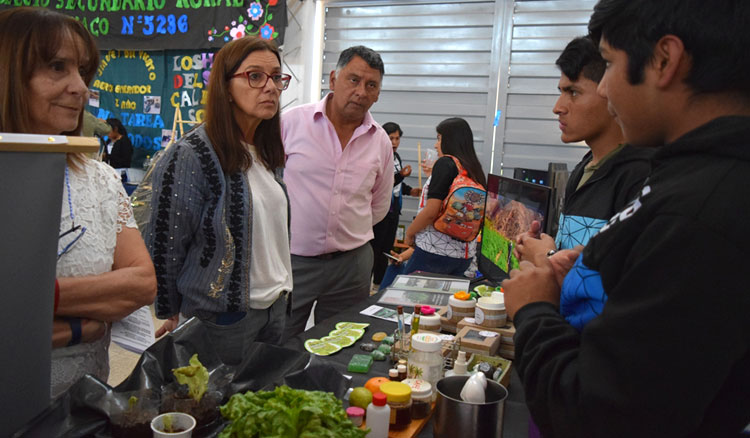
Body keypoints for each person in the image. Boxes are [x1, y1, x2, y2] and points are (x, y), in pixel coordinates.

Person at [503, 0, 750, 436]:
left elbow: (599, 412)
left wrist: (535, 310)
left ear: (664, 60)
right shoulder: (688, 177)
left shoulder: (697, 211)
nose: (604, 89)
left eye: (611, 64)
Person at [0, 7, 157, 398]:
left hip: (86, 405)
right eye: (57, 67)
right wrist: (80, 325)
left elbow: (141, 283)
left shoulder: (99, 178)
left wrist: (37, 301)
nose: (81, 88)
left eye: (83, 71)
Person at [144, 36, 293, 365]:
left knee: (258, 405)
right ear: (225, 87)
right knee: (219, 410)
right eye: (255, 76)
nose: (270, 87)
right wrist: (170, 310)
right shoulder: (192, 154)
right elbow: (166, 242)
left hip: (274, 308)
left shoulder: (268, 152)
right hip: (224, 317)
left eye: (277, 77)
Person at [515, 36, 653, 331]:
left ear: (610, 89)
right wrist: (543, 249)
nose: (558, 107)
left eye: (573, 92)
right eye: (560, 91)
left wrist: (547, 257)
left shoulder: (640, 177)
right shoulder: (584, 167)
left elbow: (625, 289)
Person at [281, 45, 394, 341]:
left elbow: (380, 204)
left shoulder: (380, 140)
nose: (361, 91)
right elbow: (266, 185)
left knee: (342, 346)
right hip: (292, 262)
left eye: (371, 85)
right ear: (333, 80)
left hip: (352, 267)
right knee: (278, 342)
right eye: (353, 80)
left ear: (378, 93)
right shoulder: (291, 123)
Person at [403, 117, 486, 277]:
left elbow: (431, 212)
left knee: (412, 299)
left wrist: (410, 233)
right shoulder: (473, 167)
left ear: (450, 140)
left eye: (439, 138)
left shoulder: (445, 163)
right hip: (464, 256)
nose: (436, 144)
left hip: (434, 251)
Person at [371, 122, 420, 287]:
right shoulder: (379, 157)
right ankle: (368, 284)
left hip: (394, 210)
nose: (394, 142)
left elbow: (397, 186)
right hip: (381, 210)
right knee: (375, 249)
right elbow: (383, 184)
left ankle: (379, 284)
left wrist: (411, 191)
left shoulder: (396, 157)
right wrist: (401, 176)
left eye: (397, 138)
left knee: (386, 249)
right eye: (391, 138)